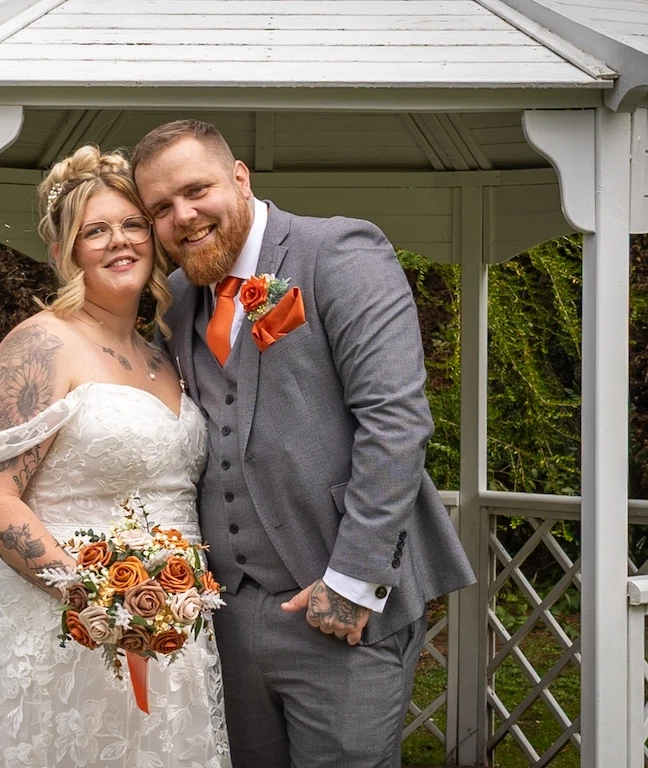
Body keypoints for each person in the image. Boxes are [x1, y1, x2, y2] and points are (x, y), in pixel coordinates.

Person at [132, 120, 476, 768]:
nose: (183, 216)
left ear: (239, 178)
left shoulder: (338, 252)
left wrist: (350, 583)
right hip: (227, 613)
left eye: (196, 189)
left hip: (339, 610)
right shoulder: (177, 298)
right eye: (160, 207)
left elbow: (396, 421)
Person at [0, 145, 229, 768]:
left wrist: (156, 609)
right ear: (65, 251)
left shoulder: (164, 355)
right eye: (94, 231)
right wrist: (98, 603)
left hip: (171, 626)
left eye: (132, 225)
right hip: (66, 629)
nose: (119, 242)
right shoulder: (42, 343)